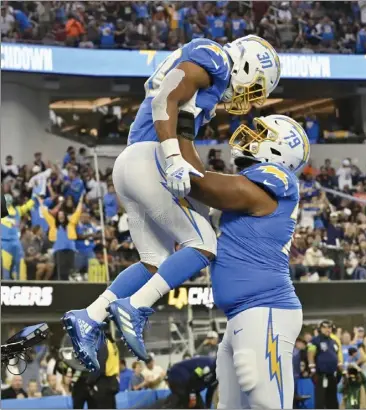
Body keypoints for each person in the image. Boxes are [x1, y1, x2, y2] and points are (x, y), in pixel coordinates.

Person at [62, 34, 281, 371]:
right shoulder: (216, 59)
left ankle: (89, 317)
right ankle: (134, 307)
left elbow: (182, 127)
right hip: (151, 159)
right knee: (204, 243)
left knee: (155, 261)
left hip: (134, 164)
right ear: (246, 65)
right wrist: (173, 157)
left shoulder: (208, 83)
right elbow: (165, 98)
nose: (246, 99)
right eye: (252, 87)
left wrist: (194, 182)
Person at [178, 114, 309, 408]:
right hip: (244, 315)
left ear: (280, 150)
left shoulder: (279, 180)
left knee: (268, 405)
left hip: (266, 310)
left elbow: (201, 184)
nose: (251, 137)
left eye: (262, 134)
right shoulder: (253, 186)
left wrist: (182, 131)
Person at [1, 194, 36, 280]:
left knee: (20, 262)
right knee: (5, 265)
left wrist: (34, 197)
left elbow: (27, 206)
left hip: (15, 241)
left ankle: (22, 282)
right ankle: (6, 284)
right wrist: (8, 220)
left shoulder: (17, 210)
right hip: (4, 242)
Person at [307, 320, 339, 409]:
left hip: (332, 374)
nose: (327, 329)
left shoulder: (333, 341)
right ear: (320, 329)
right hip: (320, 374)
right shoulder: (315, 340)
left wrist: (340, 369)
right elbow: (310, 354)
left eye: (329, 327)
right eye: (324, 327)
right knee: (320, 398)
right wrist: (312, 369)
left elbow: (336, 356)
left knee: (332, 398)